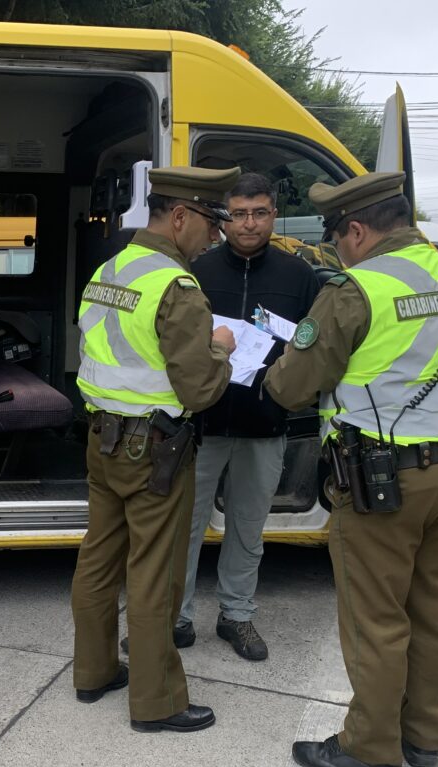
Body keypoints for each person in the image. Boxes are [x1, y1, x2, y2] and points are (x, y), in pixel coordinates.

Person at [264, 172, 438, 767]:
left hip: (384, 479)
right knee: (435, 609)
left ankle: (369, 749)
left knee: (376, 615)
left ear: (358, 231)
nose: (339, 250)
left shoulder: (356, 289)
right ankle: (423, 737)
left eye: (337, 237)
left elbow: (291, 387)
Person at [71, 166, 238, 733]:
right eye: (211, 222)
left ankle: (94, 672)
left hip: (103, 437)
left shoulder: (110, 270)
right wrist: (221, 349)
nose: (216, 235)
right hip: (155, 450)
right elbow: (200, 389)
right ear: (181, 216)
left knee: (98, 559)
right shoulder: (177, 287)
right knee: (155, 574)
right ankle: (157, 702)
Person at [175, 172, 321, 660]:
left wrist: (288, 395)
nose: (249, 224)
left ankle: (236, 616)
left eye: (259, 213)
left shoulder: (299, 277)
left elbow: (312, 348)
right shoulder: (196, 270)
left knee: (247, 528)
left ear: (273, 215)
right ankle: (177, 618)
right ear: (224, 219)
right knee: (184, 526)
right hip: (202, 422)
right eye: (239, 214)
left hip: (265, 422)